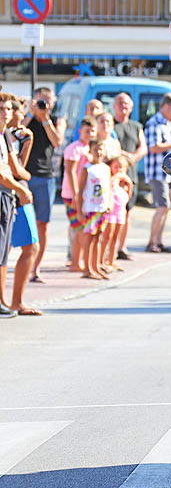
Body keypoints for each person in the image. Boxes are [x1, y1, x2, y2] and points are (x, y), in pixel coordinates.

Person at [23, 87, 66, 283]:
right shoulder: (28, 118)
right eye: (41, 100)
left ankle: (35, 268)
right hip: (25, 175)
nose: (43, 105)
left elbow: (57, 141)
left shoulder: (57, 119)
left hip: (47, 176)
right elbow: (14, 132)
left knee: (43, 224)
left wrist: (46, 118)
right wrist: (32, 114)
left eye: (47, 101)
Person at [0, 94, 34, 318]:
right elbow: (9, 172)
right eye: (2, 108)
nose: (6, 113)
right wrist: (22, 187)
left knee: (4, 252)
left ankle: (7, 301)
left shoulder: (5, 136)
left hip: (8, 194)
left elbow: (16, 168)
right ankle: (7, 301)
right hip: (7, 193)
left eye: (9, 109)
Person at [8, 98, 41, 316]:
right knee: (25, 247)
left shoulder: (12, 136)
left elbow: (20, 165)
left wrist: (27, 144)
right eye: (20, 111)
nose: (22, 115)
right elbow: (18, 171)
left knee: (29, 247)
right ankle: (13, 301)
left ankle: (16, 301)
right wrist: (25, 177)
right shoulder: (5, 136)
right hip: (14, 193)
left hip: (19, 193)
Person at [144, 93, 171, 253]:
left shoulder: (170, 125)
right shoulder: (154, 123)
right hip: (157, 172)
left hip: (168, 173)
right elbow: (154, 147)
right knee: (162, 206)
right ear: (166, 106)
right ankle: (152, 242)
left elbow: (170, 148)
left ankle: (157, 241)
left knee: (164, 207)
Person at [112, 93, 147, 260]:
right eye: (119, 102)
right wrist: (123, 155)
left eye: (126, 103)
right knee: (113, 212)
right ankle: (109, 248)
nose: (122, 106)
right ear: (113, 106)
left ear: (131, 107)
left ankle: (122, 247)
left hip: (131, 174)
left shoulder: (136, 126)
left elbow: (143, 148)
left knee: (127, 212)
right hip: (115, 173)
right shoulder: (110, 124)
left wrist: (133, 157)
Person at [61, 117, 96, 272]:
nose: (89, 134)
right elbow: (70, 171)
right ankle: (78, 262)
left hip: (86, 195)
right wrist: (76, 195)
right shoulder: (74, 148)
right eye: (86, 131)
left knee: (82, 227)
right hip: (72, 194)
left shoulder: (91, 148)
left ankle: (77, 262)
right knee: (80, 228)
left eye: (92, 131)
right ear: (80, 131)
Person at [77, 140, 112, 280]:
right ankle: (87, 268)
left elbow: (108, 187)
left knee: (98, 238)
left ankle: (96, 266)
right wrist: (79, 210)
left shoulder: (105, 168)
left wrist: (109, 203)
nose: (98, 152)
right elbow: (80, 191)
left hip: (102, 209)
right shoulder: (87, 169)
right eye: (95, 149)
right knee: (89, 238)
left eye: (101, 149)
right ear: (90, 151)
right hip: (91, 208)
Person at [101, 156, 133, 272]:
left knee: (115, 237)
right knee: (107, 237)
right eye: (116, 167)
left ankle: (111, 260)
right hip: (111, 213)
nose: (119, 170)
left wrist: (128, 183)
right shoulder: (111, 179)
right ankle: (101, 260)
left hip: (120, 212)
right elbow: (107, 187)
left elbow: (128, 195)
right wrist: (115, 177)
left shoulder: (124, 182)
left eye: (121, 168)